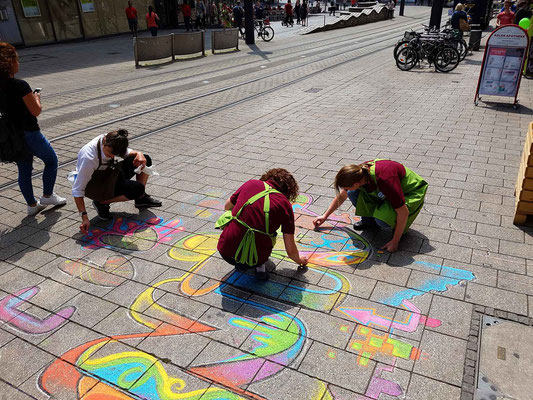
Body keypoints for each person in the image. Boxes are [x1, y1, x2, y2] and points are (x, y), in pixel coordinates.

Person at [0, 42, 66, 216]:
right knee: (51, 160)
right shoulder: (20, 85)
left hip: (12, 136)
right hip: (30, 133)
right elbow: (35, 111)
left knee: (24, 168)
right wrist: (36, 97)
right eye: (17, 60)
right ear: (10, 62)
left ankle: (31, 205)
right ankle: (47, 196)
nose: (19, 64)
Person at [313, 160, 428, 253]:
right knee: (353, 193)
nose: (345, 190)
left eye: (347, 187)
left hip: (410, 191)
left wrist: (395, 241)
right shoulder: (358, 173)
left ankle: (398, 231)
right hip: (388, 191)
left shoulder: (385, 180)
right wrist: (325, 216)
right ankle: (369, 222)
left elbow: (403, 212)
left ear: (356, 184)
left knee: (382, 220)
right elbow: (341, 197)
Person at [217, 168, 308, 280]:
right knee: (269, 231)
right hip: (255, 260)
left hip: (225, 251)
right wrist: (300, 260)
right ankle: (260, 267)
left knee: (232, 214)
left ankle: (238, 252)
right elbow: (290, 250)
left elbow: (227, 206)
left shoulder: (251, 184)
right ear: (288, 192)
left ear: (267, 177)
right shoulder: (285, 205)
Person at [72, 129, 162, 235]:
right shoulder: (89, 158)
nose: (112, 156)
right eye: (110, 153)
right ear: (104, 142)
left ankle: (140, 199)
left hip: (108, 175)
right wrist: (84, 217)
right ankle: (101, 202)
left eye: (116, 154)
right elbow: (77, 190)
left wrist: (139, 154)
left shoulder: (112, 140)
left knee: (144, 159)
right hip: (95, 186)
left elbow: (128, 153)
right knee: (138, 189)